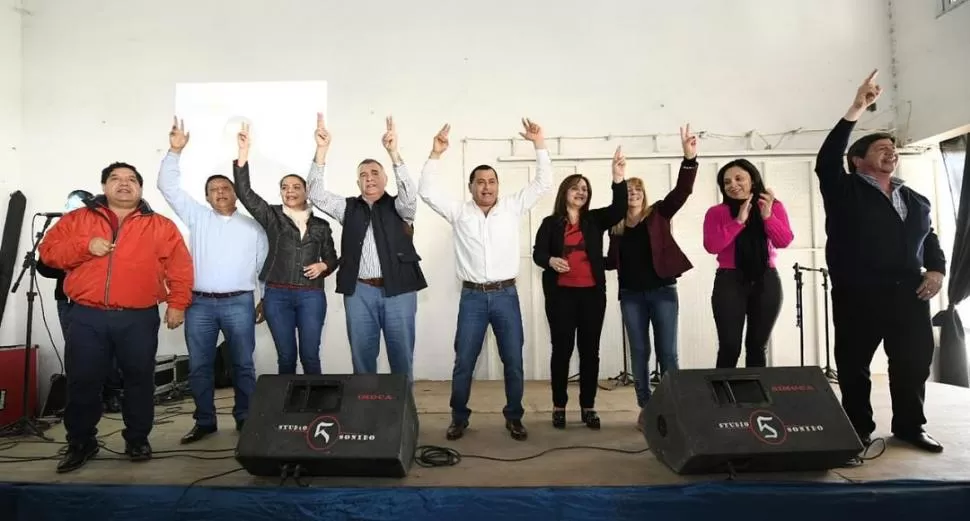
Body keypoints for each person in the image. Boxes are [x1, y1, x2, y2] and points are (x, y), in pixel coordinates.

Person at [816, 69, 946, 455]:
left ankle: (910, 426)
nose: (891, 151)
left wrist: (937, 270)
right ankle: (857, 429)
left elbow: (929, 239)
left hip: (910, 294)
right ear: (858, 161)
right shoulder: (844, 190)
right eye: (880, 148)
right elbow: (826, 160)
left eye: (893, 148)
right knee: (854, 366)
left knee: (913, 363)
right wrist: (857, 108)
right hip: (859, 294)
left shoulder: (915, 199)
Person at [39, 160, 193, 473]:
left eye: (131, 179)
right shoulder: (77, 219)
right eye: (115, 178)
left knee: (139, 380)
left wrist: (178, 303)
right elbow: (48, 253)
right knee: (83, 381)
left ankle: (137, 439)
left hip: (138, 318)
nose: (124, 183)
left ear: (140, 187)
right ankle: (81, 442)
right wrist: (85, 246)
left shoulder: (161, 226)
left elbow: (180, 267)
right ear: (104, 186)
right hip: (87, 316)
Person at [419, 119, 553, 441]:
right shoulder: (459, 212)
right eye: (480, 182)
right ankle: (458, 418)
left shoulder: (512, 207)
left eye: (492, 181)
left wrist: (539, 144)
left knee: (513, 361)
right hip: (473, 298)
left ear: (498, 186)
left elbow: (543, 183)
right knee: (464, 361)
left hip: (506, 296)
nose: (487, 187)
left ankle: (514, 417)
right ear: (471, 187)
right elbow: (426, 191)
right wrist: (435, 154)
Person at [156, 118, 268, 445]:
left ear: (236, 194)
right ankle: (204, 421)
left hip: (240, 303)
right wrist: (175, 151)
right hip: (200, 304)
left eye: (225, 188)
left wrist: (263, 299)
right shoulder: (197, 217)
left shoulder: (254, 227)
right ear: (205, 198)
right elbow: (168, 187)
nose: (220, 193)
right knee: (199, 367)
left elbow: (263, 267)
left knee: (243, 366)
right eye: (213, 190)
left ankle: (245, 419)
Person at [306, 114, 426, 380]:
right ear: (357, 183)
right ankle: (365, 405)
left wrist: (394, 154)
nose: (369, 178)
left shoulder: (400, 207)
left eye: (374, 173)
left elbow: (409, 194)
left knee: (402, 358)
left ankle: (403, 407)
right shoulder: (347, 208)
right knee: (362, 358)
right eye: (363, 175)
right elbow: (314, 194)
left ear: (386, 179)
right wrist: (322, 150)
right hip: (359, 291)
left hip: (399, 290)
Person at [605, 125, 698, 425]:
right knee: (639, 352)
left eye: (638, 190)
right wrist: (576, 259)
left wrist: (689, 159)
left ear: (644, 196)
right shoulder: (616, 228)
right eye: (628, 190)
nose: (633, 194)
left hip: (662, 292)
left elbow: (682, 191)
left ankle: (673, 407)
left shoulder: (658, 214)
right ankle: (646, 406)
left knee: (667, 352)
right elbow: (610, 262)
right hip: (631, 296)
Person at [232, 121, 338, 376]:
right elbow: (244, 193)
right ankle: (287, 401)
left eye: (296, 187)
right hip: (277, 294)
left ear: (307, 191)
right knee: (286, 357)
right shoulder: (272, 216)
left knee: (310, 355)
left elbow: (333, 258)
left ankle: (314, 401)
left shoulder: (321, 225)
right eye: (284, 187)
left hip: (311, 295)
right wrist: (243, 153)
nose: (290, 191)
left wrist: (324, 265)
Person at [533, 149, 627, 429]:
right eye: (575, 188)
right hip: (561, 296)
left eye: (585, 189)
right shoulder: (550, 223)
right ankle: (559, 406)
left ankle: (588, 406)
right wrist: (550, 260)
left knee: (589, 351)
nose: (581, 192)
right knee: (561, 350)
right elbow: (538, 253)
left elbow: (619, 209)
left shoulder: (594, 220)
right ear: (565, 192)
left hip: (591, 296)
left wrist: (618, 178)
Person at [702, 158, 793, 368]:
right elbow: (712, 246)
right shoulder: (716, 212)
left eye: (738, 178)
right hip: (729, 280)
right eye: (726, 182)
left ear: (753, 181)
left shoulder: (773, 206)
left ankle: (754, 390)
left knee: (757, 347)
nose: (732, 185)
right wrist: (738, 222)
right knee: (729, 347)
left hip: (766, 279)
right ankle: (724, 390)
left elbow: (783, 241)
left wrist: (767, 216)